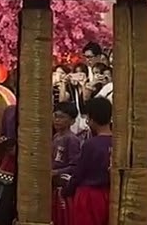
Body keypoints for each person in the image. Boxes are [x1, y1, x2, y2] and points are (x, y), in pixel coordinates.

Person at [61, 96, 113, 225]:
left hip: (89, 196)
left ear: (92, 118)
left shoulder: (91, 144)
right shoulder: (118, 143)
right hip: (111, 194)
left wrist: (66, 190)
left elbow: (79, 173)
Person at [51, 102, 82, 225]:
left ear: (72, 121)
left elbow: (75, 166)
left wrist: (56, 172)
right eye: (56, 116)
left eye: (62, 117)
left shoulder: (72, 139)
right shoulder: (55, 137)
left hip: (63, 188)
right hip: (53, 184)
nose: (57, 120)